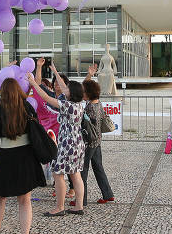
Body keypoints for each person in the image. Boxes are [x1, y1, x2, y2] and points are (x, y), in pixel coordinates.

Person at [0, 78, 46, 234]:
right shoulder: (27, 107)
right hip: (26, 157)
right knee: (25, 200)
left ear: (3, 92)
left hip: (6, 157)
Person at [27, 63, 86, 217]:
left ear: (71, 93)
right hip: (78, 143)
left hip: (67, 143)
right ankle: (79, 206)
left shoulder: (66, 105)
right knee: (75, 174)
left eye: (66, 88)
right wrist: (55, 71)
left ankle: (59, 207)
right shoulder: (79, 104)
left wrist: (33, 83)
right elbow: (64, 87)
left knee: (58, 173)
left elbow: (46, 97)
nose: (62, 88)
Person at [78, 67, 115, 206]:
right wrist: (89, 76)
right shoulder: (98, 104)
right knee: (99, 168)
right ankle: (108, 194)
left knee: (83, 171)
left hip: (89, 143)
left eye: (83, 92)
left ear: (87, 94)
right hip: (98, 140)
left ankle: (82, 199)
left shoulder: (88, 108)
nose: (82, 93)